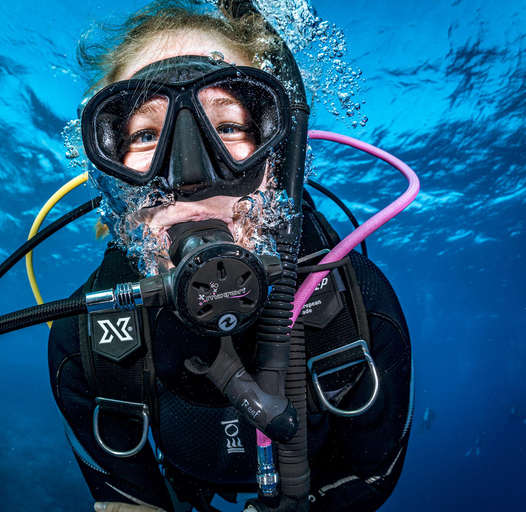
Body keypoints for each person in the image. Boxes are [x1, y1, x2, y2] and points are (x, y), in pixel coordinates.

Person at [47, 1, 413, 512]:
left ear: (276, 159)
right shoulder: (85, 343)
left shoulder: (356, 310)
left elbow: (372, 476)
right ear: (112, 173)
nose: (191, 175)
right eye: (147, 135)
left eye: (228, 127)